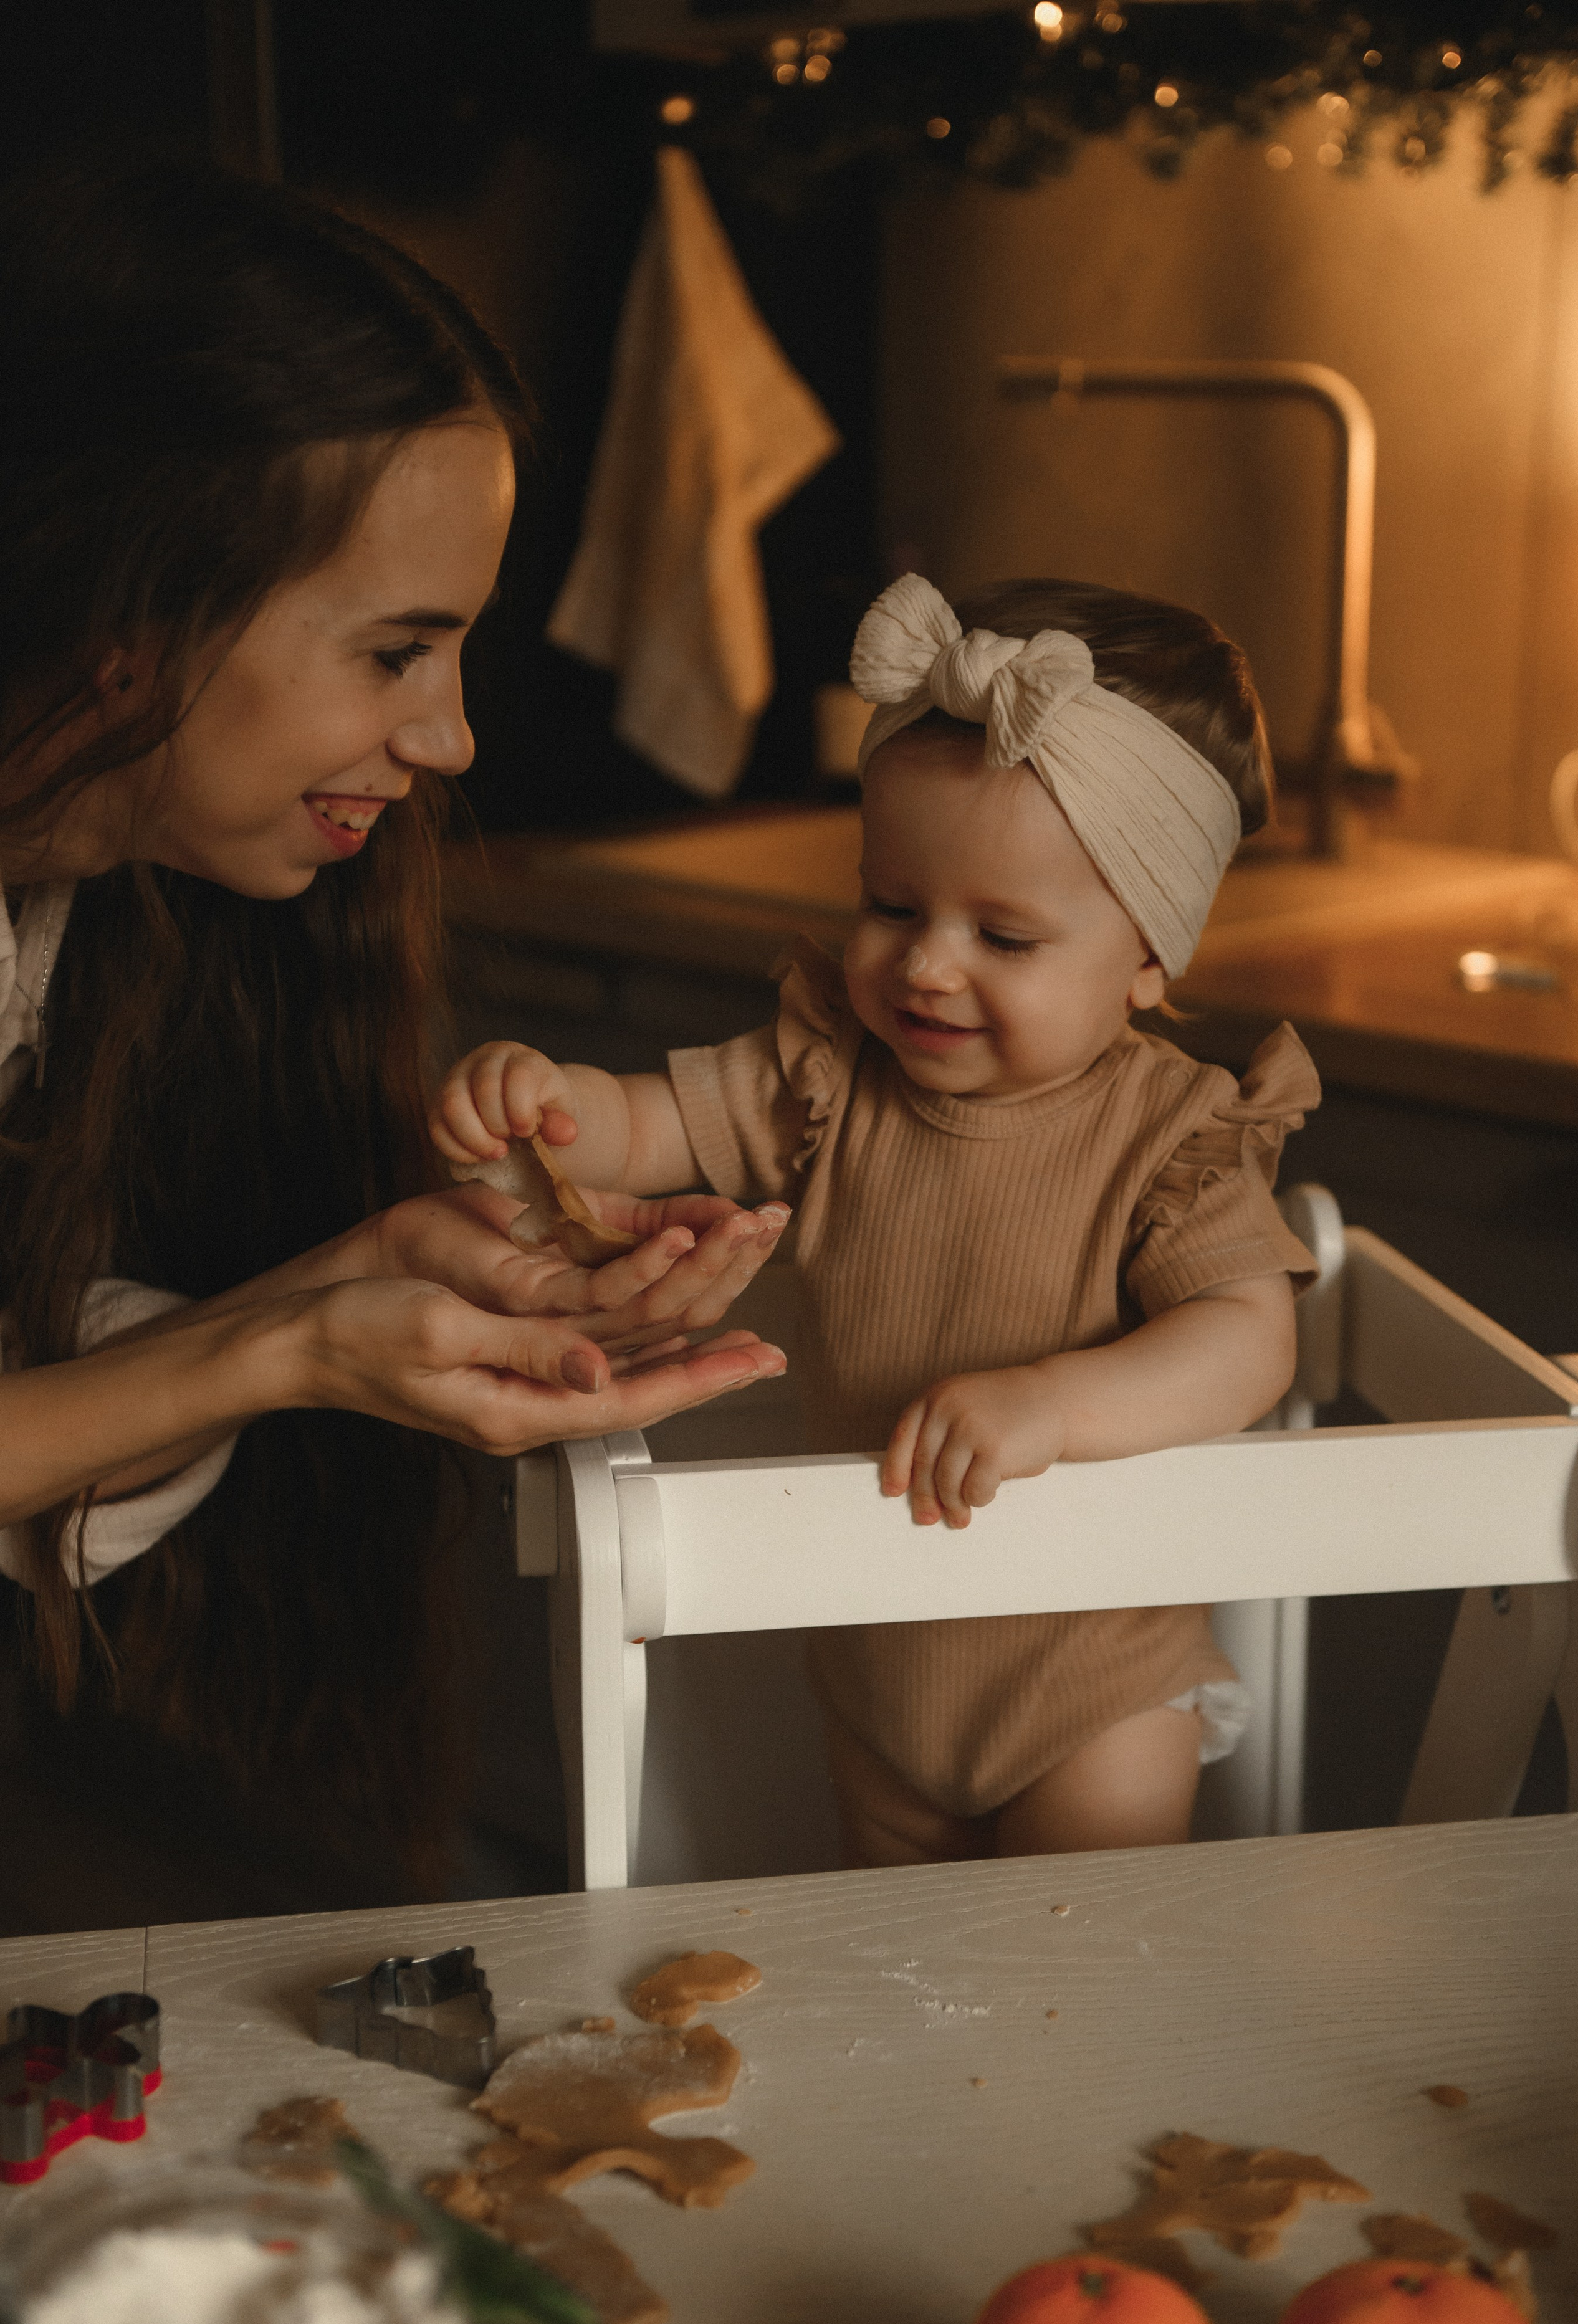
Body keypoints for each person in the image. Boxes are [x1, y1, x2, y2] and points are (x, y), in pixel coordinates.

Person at [0, 159, 785, 1905]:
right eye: (395, 651)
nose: (447, 738)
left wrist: (371, 1275)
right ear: (136, 608)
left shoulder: (77, 914)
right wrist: (292, 1353)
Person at [433, 574, 1322, 1870]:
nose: (924, 964)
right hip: (876, 1660)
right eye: (893, 906)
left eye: (1003, 936)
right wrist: (547, 1098)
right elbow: (653, 1123)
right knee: (907, 1983)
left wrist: (1051, 1406)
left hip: (1094, 1679)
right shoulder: (833, 1072)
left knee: (1075, 1986)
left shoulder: (1166, 1134)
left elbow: (1249, 1337)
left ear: (1145, 960)